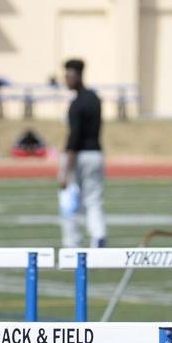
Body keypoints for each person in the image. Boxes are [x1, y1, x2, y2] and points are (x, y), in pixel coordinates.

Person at [58, 58, 107, 248]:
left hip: (77, 156)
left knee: (70, 203)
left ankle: (72, 245)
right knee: (93, 200)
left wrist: (66, 171)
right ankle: (98, 236)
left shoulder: (77, 103)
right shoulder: (94, 98)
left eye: (68, 75)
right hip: (96, 154)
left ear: (76, 76)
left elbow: (74, 137)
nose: (66, 79)